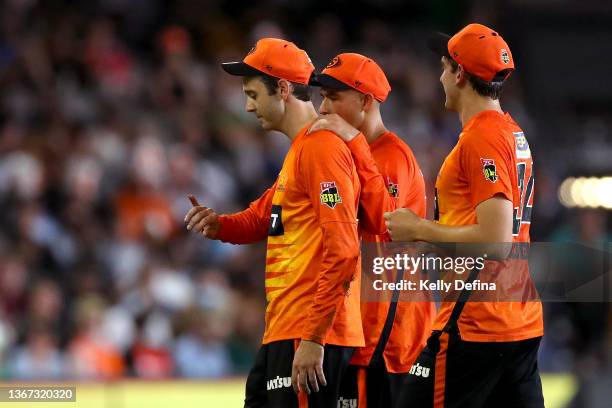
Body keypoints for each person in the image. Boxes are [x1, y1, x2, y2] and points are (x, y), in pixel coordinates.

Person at [184, 38, 364, 408]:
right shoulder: (302, 149)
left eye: (253, 94)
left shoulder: (321, 149)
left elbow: (344, 249)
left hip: (311, 335)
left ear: (282, 89)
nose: (248, 106)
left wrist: (314, 338)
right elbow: (265, 216)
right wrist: (220, 225)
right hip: (288, 330)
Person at [385, 23, 544, 407]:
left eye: (443, 68)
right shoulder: (510, 132)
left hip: (476, 322)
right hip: (517, 320)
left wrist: (417, 228)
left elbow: (495, 240)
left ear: (459, 74)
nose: (440, 78)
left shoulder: (482, 138)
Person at [308, 53, 435, 407]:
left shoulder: (392, 155)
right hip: (363, 329)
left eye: (334, 97)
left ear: (365, 101)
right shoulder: (350, 152)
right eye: (322, 97)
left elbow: (386, 224)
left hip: (388, 338)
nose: (323, 108)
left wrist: (353, 139)